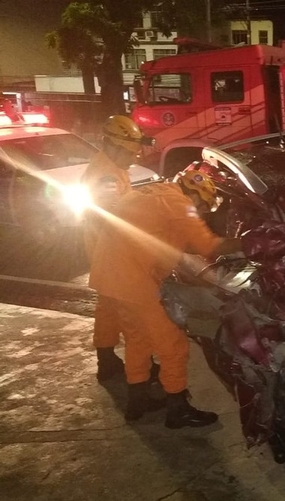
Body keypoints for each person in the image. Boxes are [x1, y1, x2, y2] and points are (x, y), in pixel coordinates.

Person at [88, 168, 242, 428]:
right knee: (173, 344)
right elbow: (208, 245)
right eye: (203, 207)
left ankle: (138, 399)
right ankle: (178, 408)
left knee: (137, 338)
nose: (201, 213)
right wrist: (253, 243)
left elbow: (167, 241)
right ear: (195, 195)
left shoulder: (149, 191)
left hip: (108, 277)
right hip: (134, 281)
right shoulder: (179, 203)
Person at [80, 115, 153, 383]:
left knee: (108, 305)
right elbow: (113, 215)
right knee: (132, 311)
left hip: (103, 247)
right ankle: (141, 369)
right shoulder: (106, 175)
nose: (133, 159)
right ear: (111, 145)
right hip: (111, 248)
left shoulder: (111, 166)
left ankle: (106, 357)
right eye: (128, 153)